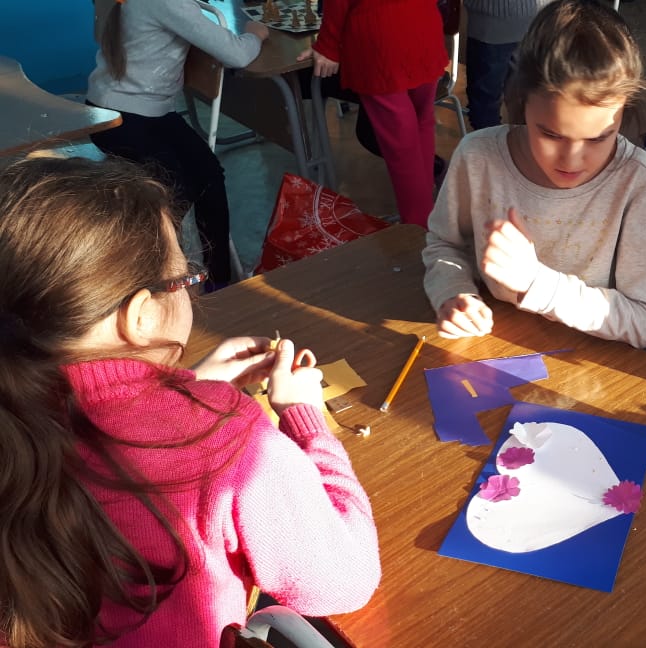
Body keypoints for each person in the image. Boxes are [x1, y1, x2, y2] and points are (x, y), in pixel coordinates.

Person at [0, 157, 380, 647]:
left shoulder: (17, 411)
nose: (189, 288)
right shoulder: (226, 436)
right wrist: (304, 417)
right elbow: (343, 581)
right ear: (140, 315)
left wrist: (187, 384)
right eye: (184, 278)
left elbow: (103, 427)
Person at [423, 0, 646, 349]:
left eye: (598, 138)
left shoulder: (637, 181)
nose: (572, 160)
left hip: (591, 359)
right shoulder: (478, 156)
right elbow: (445, 245)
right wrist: (454, 292)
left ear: (623, 116)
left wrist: (536, 282)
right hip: (494, 343)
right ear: (521, 103)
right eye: (551, 134)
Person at [87, 0, 269, 288]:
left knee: (208, 176)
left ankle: (218, 279)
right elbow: (237, 54)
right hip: (127, 116)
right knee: (171, 197)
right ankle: (151, 278)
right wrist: (256, 33)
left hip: (126, 108)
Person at [300, 0, 447, 228]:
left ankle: (420, 227)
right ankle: (427, 217)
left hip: (380, 38)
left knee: (403, 144)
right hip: (423, 26)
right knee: (421, 124)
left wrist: (328, 45)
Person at [463, 0, 555, 130]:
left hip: (493, 18)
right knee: (532, 101)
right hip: (541, 17)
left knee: (485, 106)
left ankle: (494, 143)